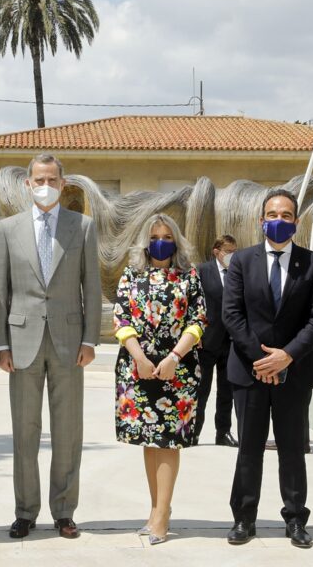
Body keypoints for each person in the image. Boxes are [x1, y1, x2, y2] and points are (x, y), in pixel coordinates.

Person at [0, 153, 102, 540]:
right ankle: (25, 511)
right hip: (21, 343)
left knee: (68, 431)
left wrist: (90, 338)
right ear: (27, 182)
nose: (45, 186)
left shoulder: (83, 226)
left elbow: (92, 286)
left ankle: (64, 511)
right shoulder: (7, 228)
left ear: (63, 182)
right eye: (39, 179)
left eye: (52, 179)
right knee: (25, 431)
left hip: (70, 342)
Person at [222, 189, 313, 548]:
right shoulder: (241, 261)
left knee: (291, 449)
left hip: (295, 372)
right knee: (248, 449)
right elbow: (232, 316)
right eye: (272, 214)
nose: (279, 220)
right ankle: (244, 518)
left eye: (286, 215)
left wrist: (286, 356)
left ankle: (296, 519)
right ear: (261, 220)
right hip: (249, 372)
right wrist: (262, 359)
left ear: (296, 222)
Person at [113, 213, 207, 545]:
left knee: (168, 441)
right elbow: (121, 317)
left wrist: (173, 358)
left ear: (177, 241)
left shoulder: (189, 276)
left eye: (168, 236)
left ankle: (163, 515)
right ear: (144, 240)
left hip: (177, 371)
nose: (161, 242)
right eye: (155, 236)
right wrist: (138, 357)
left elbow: (198, 320)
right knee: (148, 440)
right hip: (137, 369)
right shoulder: (131, 274)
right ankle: (154, 510)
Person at [195, 235, 238, 447]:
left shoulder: (237, 273)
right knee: (201, 390)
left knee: (226, 391)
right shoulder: (202, 271)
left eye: (234, 251)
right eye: (227, 251)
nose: (230, 255)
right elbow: (194, 303)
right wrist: (195, 334)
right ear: (216, 251)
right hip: (206, 342)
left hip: (230, 343)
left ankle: (223, 432)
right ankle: (193, 432)